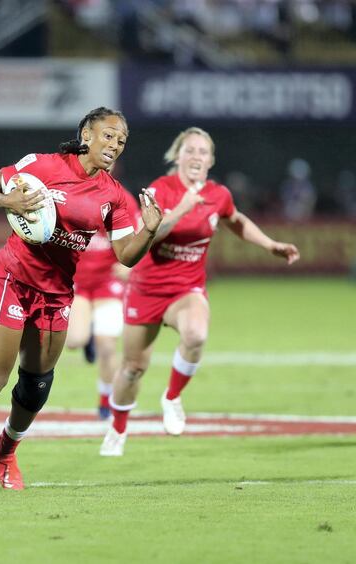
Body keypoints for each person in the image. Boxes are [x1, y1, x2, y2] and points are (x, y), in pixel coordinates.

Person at [0, 107, 164, 490]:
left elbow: (126, 255)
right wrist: (11, 203)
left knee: (37, 384)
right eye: (107, 136)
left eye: (121, 141)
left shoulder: (115, 196)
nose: (114, 146)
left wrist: (149, 231)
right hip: (11, 278)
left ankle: (5, 449)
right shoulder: (42, 165)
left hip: (56, 292)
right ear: (85, 134)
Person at [100, 127, 300, 457]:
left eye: (203, 152)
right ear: (177, 156)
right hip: (147, 289)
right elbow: (150, 234)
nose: (196, 156)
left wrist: (270, 245)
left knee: (196, 335)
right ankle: (118, 429)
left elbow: (235, 220)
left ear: (211, 160)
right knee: (133, 367)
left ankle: (172, 397)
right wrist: (181, 208)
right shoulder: (159, 189)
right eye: (189, 150)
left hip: (186, 288)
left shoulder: (217, 194)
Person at [65, 188, 139, 420]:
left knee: (107, 345)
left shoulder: (123, 198)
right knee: (73, 341)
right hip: (77, 278)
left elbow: (140, 236)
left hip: (109, 279)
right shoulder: (70, 192)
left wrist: (131, 265)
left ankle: (106, 399)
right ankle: (87, 337)